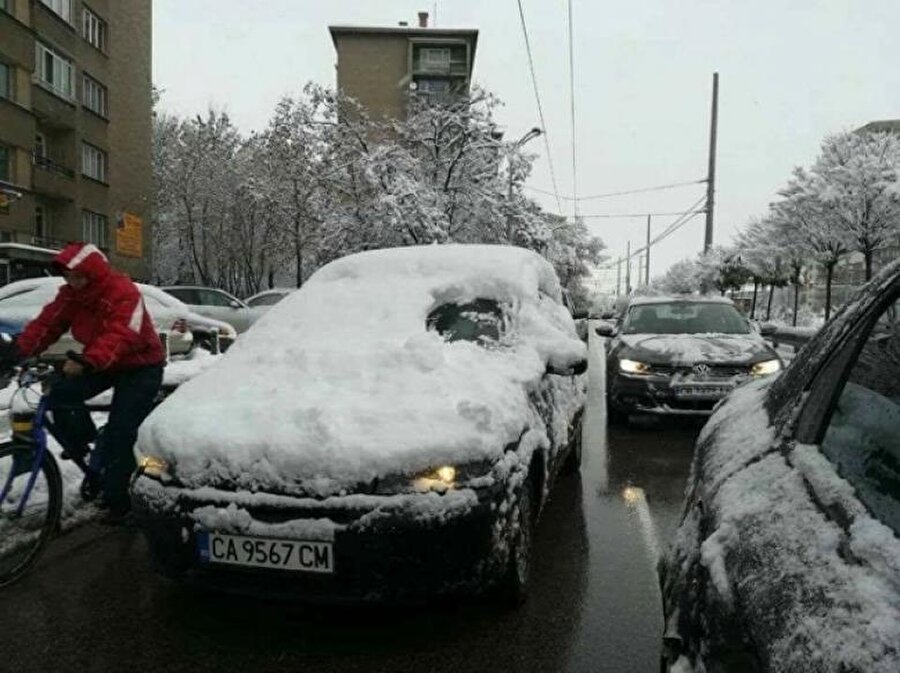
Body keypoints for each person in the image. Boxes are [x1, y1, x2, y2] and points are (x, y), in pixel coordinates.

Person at [0, 243, 165, 523]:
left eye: (78, 276)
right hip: (103, 361)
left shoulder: (123, 292)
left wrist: (88, 361)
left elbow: (121, 334)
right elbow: (47, 324)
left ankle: (119, 502)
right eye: (67, 276)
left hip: (140, 365)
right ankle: (88, 449)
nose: (71, 282)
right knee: (58, 395)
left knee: (122, 432)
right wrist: (18, 351)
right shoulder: (71, 296)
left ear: (94, 274)